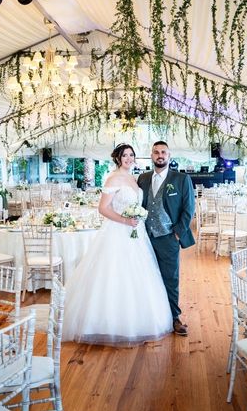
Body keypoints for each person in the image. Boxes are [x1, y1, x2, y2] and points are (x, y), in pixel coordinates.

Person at [62, 144, 173, 346]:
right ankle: (106, 324)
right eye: (125, 155)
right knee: (113, 276)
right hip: (117, 232)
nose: (129, 158)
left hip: (136, 233)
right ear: (118, 158)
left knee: (138, 275)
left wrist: (135, 220)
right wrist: (125, 220)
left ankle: (138, 320)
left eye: (131, 155)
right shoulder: (113, 178)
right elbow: (103, 208)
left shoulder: (134, 178)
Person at [137, 141, 195, 336]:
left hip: (168, 236)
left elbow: (189, 209)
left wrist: (178, 232)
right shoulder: (142, 178)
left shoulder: (181, 179)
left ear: (169, 155)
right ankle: (149, 316)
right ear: (151, 155)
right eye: (156, 152)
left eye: (163, 152)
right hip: (145, 237)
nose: (159, 155)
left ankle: (174, 317)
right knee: (147, 277)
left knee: (170, 278)